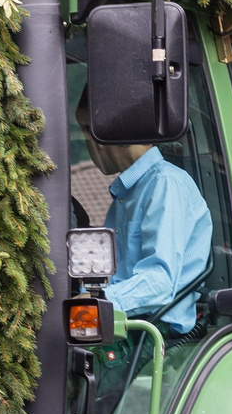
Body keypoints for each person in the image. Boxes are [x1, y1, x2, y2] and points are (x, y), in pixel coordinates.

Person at [82, 117, 211, 334]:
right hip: (125, 326)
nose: (88, 140)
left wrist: (95, 302)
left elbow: (159, 282)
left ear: (109, 127)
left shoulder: (166, 184)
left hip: (154, 335)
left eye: (88, 128)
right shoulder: (125, 195)